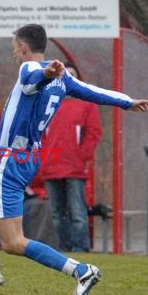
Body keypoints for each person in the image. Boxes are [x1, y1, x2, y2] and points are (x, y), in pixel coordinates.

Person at [0, 24, 148, 295]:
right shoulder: (64, 79)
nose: (14, 53)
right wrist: (127, 102)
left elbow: (34, 78)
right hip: (26, 157)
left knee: (13, 242)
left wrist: (46, 74)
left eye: (14, 48)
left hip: (10, 159)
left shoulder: (31, 70)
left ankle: (81, 270)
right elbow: (94, 91)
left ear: (23, 47)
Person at [40, 62, 102, 252]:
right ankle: (65, 249)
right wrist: (42, 158)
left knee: (77, 212)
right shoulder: (47, 102)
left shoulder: (86, 103)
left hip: (75, 167)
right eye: (62, 74)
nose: (66, 78)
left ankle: (81, 249)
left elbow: (94, 132)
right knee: (58, 214)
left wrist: (82, 156)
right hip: (50, 167)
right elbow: (38, 132)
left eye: (71, 75)